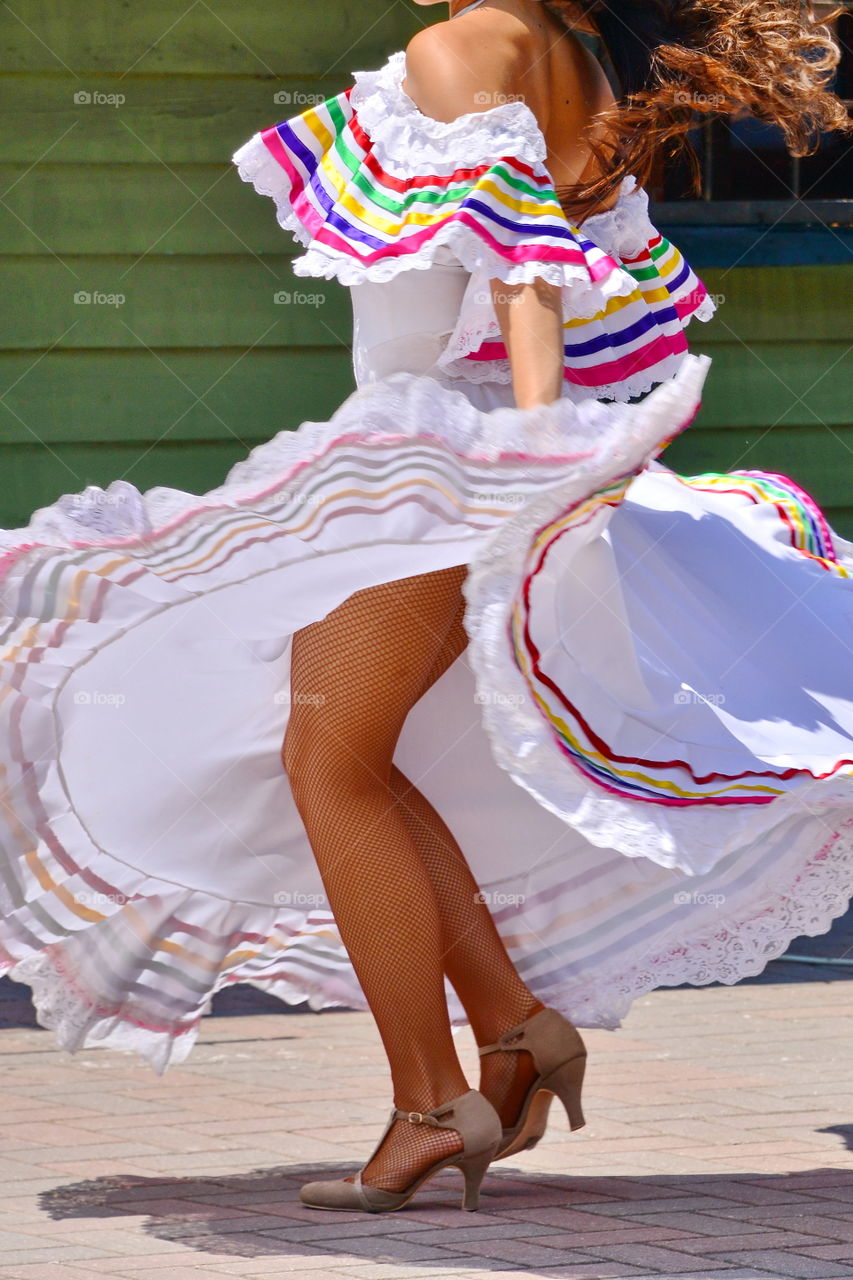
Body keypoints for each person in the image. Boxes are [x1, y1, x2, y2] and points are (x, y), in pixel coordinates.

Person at [1, 0, 851, 1216]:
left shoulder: (471, 46)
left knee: (324, 762)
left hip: (436, 470)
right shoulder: (574, 57)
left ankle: (429, 1102)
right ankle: (513, 1029)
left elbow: (528, 277)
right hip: (446, 460)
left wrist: (524, 472)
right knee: (347, 756)